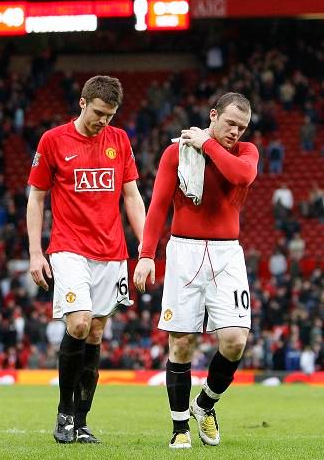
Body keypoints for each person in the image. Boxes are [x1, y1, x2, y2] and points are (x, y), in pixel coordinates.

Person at [133, 92, 258, 449]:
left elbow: (242, 176)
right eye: (230, 123)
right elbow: (157, 206)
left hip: (227, 255)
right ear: (213, 114)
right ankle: (179, 428)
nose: (235, 131)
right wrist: (146, 254)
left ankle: (205, 405)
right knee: (182, 341)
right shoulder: (176, 152)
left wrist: (207, 143)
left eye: (242, 126)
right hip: (184, 252)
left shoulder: (246, 153)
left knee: (235, 340)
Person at [26, 75, 145, 444]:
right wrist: (34, 251)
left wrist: (147, 249)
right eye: (98, 113)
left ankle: (81, 421)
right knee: (78, 324)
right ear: (82, 103)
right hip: (69, 247)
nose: (103, 121)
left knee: (96, 332)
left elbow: (132, 197)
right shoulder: (53, 141)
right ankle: (63, 414)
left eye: (110, 115)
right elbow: (36, 199)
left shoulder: (119, 141)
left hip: (111, 252)